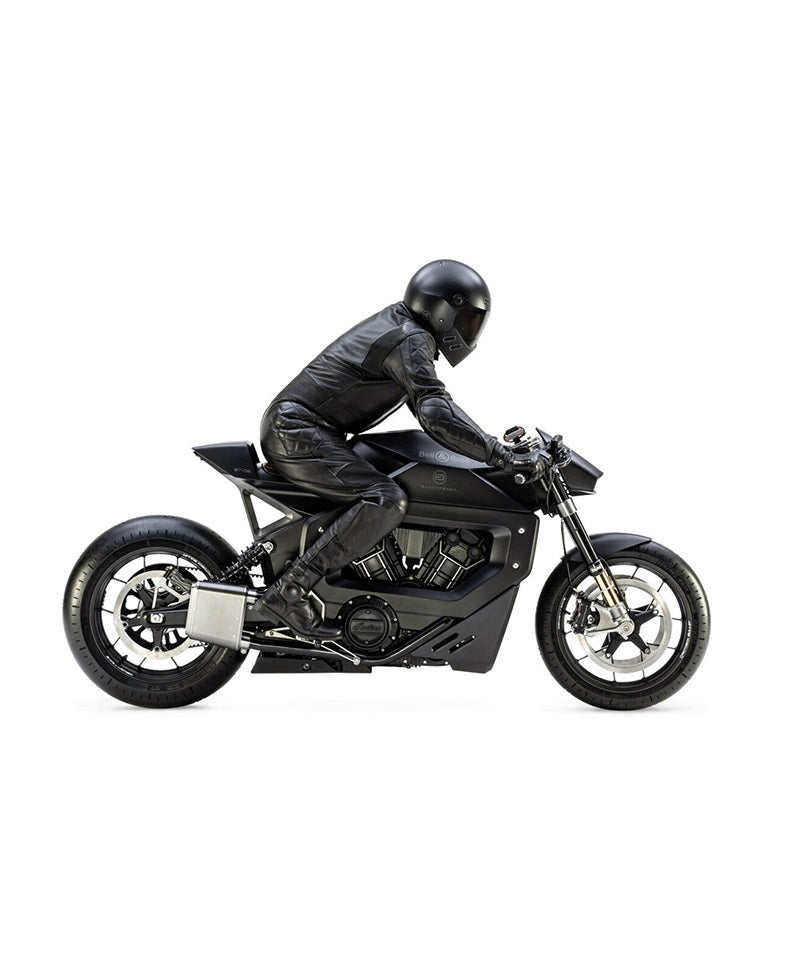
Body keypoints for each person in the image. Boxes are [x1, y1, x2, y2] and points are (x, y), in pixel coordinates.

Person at [251, 259, 549, 640]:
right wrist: (499, 454)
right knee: (386, 500)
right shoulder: (410, 338)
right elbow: (435, 411)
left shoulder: (404, 331)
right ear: (441, 310)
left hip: (302, 429)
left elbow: (434, 411)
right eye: (466, 318)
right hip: (295, 431)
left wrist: (488, 447)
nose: (469, 329)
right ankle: (290, 589)